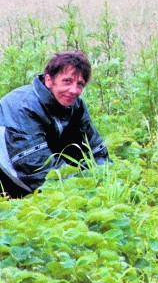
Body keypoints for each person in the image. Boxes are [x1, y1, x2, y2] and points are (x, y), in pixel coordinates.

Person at [0, 51, 110, 198]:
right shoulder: (22, 106)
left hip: (37, 180)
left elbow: (97, 153)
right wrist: (82, 190)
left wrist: (105, 183)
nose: (74, 90)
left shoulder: (76, 106)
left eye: (80, 84)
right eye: (67, 81)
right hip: (9, 183)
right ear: (49, 80)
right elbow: (36, 170)